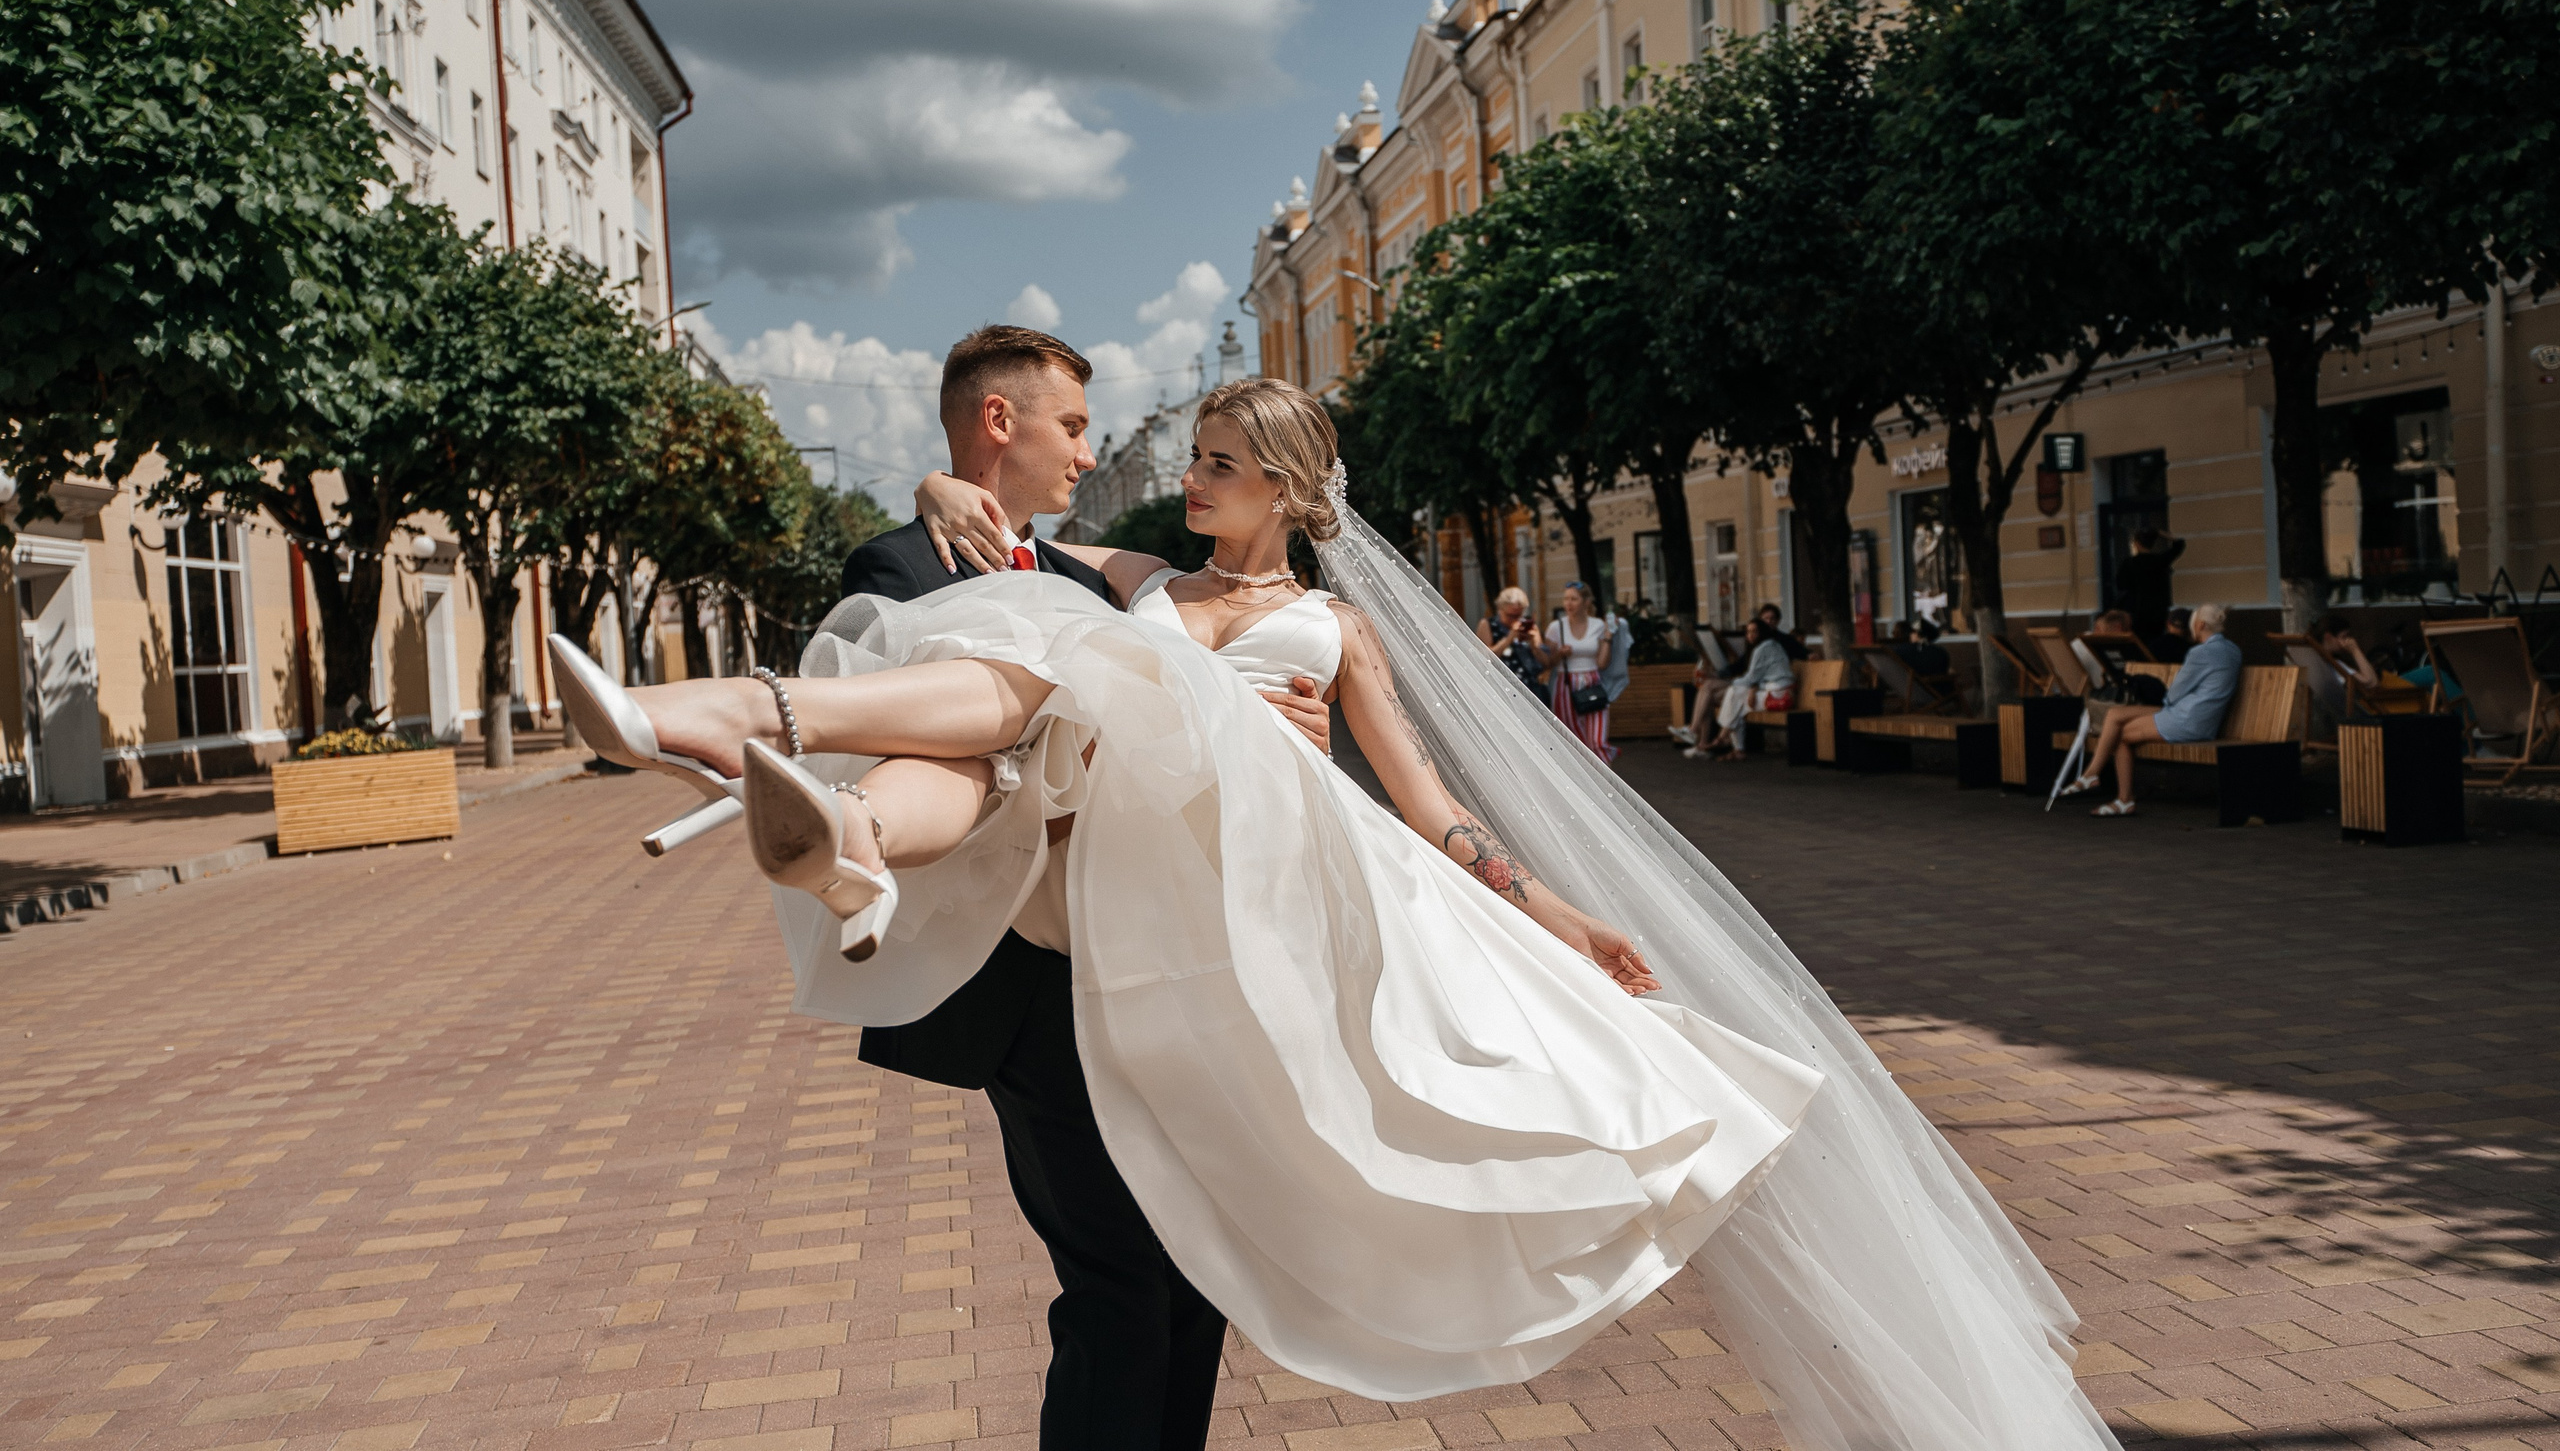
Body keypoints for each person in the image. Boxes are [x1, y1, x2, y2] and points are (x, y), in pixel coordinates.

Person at [555, 373, 2127, 1451]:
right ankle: (830, 823)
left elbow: (1430, 801)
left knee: (1057, 680)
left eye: (1224, 464)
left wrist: (1559, 913)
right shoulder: (1141, 583)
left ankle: (737, 724)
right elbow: (1004, 532)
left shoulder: (1330, 623)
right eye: (1197, 459)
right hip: (1105, 864)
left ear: (1292, 491)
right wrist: (930, 476)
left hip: (1252, 899)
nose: (1193, 480)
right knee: (1043, 671)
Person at [823, 328, 1330, 1445]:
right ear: (1001, 423)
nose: (1091, 453)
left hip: (1163, 969)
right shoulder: (897, 569)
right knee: (1118, 1283)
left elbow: (1194, 672)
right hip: (1029, 989)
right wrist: (933, 493)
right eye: (1074, 426)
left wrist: (1290, 722)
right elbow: (931, 742)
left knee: (1196, 1272)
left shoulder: (1082, 579)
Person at [2062, 601, 2241, 817]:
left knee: (2120, 734)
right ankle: (2093, 776)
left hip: (2186, 719)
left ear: (2201, 625)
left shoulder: (2200, 653)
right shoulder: (2233, 651)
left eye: (2193, 624)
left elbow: (2174, 694)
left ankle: (2122, 797)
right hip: (2197, 717)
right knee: (2115, 714)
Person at [1690, 616, 1797, 761]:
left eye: (1754, 631)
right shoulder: (1771, 645)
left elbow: (1752, 677)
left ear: (1762, 632)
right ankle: (1735, 748)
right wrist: (1751, 687)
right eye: (1748, 632)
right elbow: (1760, 676)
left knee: (1735, 695)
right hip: (1772, 689)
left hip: (1778, 694)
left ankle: (1723, 738)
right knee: (1737, 701)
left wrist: (1736, 683)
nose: (1750, 635)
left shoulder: (1764, 648)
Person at [1539, 580, 1618, 762]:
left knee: (1597, 741)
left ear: (1586, 602)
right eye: (1566, 599)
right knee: (1572, 741)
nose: (1568, 603)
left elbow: (1602, 663)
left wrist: (1608, 636)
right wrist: (1560, 653)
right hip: (1565, 684)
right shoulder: (1556, 627)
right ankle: (1580, 786)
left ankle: (1604, 787)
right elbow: (1547, 663)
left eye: (1574, 599)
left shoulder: (1597, 625)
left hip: (1592, 682)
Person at [2114, 527, 2186, 643]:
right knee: (2155, 641)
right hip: (2158, 611)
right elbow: (2179, 544)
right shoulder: (2159, 561)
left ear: (2136, 543)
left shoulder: (2129, 563)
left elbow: (2120, 584)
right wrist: (2160, 533)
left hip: (2136, 611)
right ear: (2152, 544)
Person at [1477, 585, 1548, 700]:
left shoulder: (1529, 626)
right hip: (1501, 687)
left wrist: (1534, 644)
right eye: (1510, 616)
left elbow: (1545, 663)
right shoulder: (1488, 625)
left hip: (1529, 687)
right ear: (1500, 609)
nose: (1515, 620)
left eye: (1518, 615)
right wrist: (1509, 638)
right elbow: (1483, 656)